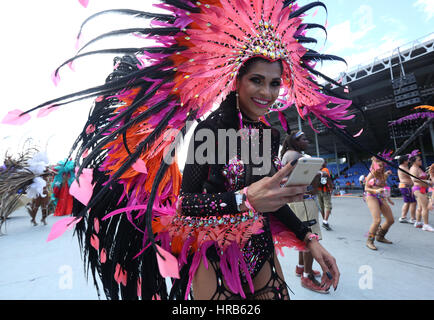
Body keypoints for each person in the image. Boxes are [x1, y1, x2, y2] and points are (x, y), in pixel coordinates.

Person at [9, 0, 354, 300]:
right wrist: (244, 200)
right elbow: (186, 204)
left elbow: (269, 201)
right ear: (237, 80)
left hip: (260, 246)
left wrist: (308, 238)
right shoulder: (210, 131)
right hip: (215, 254)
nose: (267, 92)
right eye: (257, 80)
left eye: (275, 82)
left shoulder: (269, 134)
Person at [281, 132, 327, 294]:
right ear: (295, 142)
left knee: (303, 237)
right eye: (303, 139)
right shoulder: (296, 155)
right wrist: (320, 173)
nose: (307, 141)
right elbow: (304, 179)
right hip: (303, 202)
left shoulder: (288, 154)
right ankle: (307, 277)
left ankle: (300, 268)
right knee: (310, 239)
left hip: (296, 202)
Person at [364, 157, 395, 251]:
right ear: (374, 165)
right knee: (377, 220)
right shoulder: (371, 174)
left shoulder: (382, 175)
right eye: (379, 165)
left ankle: (380, 236)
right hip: (371, 196)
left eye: (382, 165)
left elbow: (384, 186)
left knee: (390, 220)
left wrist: (388, 198)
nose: (381, 167)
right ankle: (369, 240)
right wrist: (376, 190)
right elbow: (366, 188)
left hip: (381, 197)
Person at [409, 155, 434, 232]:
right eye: (419, 160)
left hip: (424, 189)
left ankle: (418, 222)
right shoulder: (413, 169)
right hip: (418, 189)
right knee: (425, 207)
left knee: (420, 207)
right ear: (414, 161)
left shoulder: (419, 168)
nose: (421, 161)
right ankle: (426, 225)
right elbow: (414, 179)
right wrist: (426, 181)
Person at [397, 155, 416, 224]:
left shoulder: (404, 167)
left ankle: (403, 217)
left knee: (407, 202)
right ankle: (412, 218)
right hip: (406, 186)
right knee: (413, 202)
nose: (409, 161)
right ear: (404, 161)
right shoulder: (402, 167)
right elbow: (412, 174)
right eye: (408, 159)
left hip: (406, 187)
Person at [317, 161, 334, 231]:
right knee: (328, 206)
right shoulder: (325, 170)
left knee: (321, 206)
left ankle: (324, 220)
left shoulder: (316, 170)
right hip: (325, 190)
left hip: (317, 191)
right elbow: (327, 180)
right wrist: (331, 188)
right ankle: (325, 221)